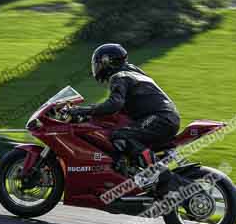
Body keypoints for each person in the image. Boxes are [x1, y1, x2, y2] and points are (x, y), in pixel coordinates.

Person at [68, 44, 181, 176]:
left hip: (159, 118)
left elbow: (114, 104)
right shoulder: (131, 71)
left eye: (98, 63)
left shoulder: (119, 76)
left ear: (107, 62)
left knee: (122, 135)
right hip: (164, 116)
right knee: (121, 132)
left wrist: (84, 110)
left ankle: (159, 176)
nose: (96, 67)